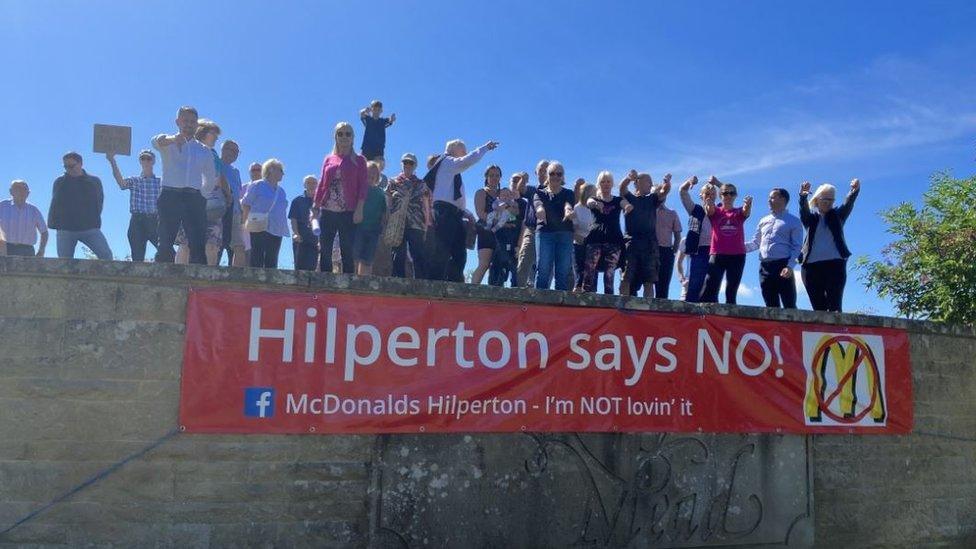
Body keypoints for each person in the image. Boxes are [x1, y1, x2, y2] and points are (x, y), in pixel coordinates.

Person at [424, 138, 499, 282]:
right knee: (443, 251)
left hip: (454, 214)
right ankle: (434, 285)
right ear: (454, 149)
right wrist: (485, 148)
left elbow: (451, 196)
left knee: (459, 253)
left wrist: (465, 212)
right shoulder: (447, 161)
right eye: (463, 150)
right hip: (445, 213)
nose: (465, 153)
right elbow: (467, 160)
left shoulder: (450, 168)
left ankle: (454, 284)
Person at [152, 106, 218, 264]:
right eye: (185, 120)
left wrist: (203, 195)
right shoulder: (167, 143)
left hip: (194, 197)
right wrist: (173, 139)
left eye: (192, 121)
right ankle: (163, 280)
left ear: (196, 125)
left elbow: (210, 176)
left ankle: (198, 283)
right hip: (170, 195)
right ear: (177, 122)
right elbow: (155, 141)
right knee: (165, 242)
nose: (188, 124)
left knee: (197, 243)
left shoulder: (204, 150)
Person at [314, 121, 368, 274]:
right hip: (327, 208)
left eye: (348, 133)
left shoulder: (360, 160)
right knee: (325, 247)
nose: (344, 137)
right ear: (335, 137)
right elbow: (321, 184)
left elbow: (363, 186)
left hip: (348, 210)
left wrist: (360, 209)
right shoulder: (328, 159)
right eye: (340, 133)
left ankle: (348, 282)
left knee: (347, 248)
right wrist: (315, 206)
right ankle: (325, 279)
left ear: (353, 138)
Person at [799, 178, 860, 312]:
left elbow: (848, 204)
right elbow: (803, 211)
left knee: (835, 307)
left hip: (835, 265)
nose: (828, 203)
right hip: (811, 267)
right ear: (816, 200)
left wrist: (854, 191)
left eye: (831, 200)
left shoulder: (838, 216)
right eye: (825, 199)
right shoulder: (811, 219)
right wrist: (803, 196)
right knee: (818, 307)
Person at [745, 187, 804, 308]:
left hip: (783, 265)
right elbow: (756, 243)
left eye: (772, 197)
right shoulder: (763, 220)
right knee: (770, 305)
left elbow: (797, 246)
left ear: (782, 199)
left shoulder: (793, 221)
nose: (768, 200)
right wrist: (736, 247)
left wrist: (790, 266)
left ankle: (791, 327)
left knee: (789, 305)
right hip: (764, 267)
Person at [48, 152, 113, 260]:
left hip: (89, 228)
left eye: (71, 166)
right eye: (66, 167)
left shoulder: (94, 181)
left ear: (80, 164)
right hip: (65, 229)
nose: (69, 169)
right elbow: (55, 204)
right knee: (64, 263)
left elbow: (99, 202)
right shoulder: (59, 182)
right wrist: (55, 224)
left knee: (106, 256)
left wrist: (93, 219)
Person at [700, 179, 753, 304]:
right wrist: (708, 203)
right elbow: (710, 210)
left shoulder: (739, 212)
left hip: (737, 255)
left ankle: (729, 321)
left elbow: (746, 211)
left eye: (732, 193)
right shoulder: (716, 211)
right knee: (711, 286)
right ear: (720, 196)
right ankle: (705, 317)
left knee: (731, 290)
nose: (728, 196)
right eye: (725, 193)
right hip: (718, 254)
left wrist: (748, 205)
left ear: (735, 196)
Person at [619, 171, 671, 297]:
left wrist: (666, 183)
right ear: (638, 183)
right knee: (626, 278)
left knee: (649, 280)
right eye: (649, 181)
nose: (651, 184)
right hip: (631, 243)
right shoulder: (629, 198)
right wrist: (628, 178)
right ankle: (622, 308)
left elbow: (664, 191)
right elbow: (622, 188)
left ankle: (648, 309)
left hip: (649, 244)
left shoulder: (652, 199)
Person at [106, 149, 160, 262]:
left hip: (155, 221)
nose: (146, 161)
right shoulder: (134, 180)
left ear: (153, 161)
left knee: (167, 253)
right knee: (137, 257)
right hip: (137, 220)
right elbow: (121, 183)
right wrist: (112, 161)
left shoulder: (160, 182)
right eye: (143, 158)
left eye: (148, 158)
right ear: (140, 161)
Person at [533, 161, 576, 290]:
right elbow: (538, 204)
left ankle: (559, 307)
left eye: (559, 174)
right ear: (547, 175)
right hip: (545, 233)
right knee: (543, 270)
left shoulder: (569, 193)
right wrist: (540, 210)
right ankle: (539, 303)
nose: (556, 176)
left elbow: (568, 205)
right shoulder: (539, 193)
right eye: (552, 173)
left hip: (565, 234)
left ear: (563, 176)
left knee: (562, 272)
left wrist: (569, 211)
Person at [387, 153, 430, 279]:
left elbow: (426, 204)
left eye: (411, 163)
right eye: (405, 162)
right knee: (397, 253)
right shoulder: (393, 182)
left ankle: (421, 282)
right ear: (402, 164)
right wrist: (388, 218)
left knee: (418, 253)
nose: (408, 165)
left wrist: (427, 224)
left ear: (415, 165)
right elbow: (388, 201)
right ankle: (397, 281)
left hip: (416, 222)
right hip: (397, 222)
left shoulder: (421, 184)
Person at [241, 159, 289, 268]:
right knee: (257, 256)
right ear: (271, 170)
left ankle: (269, 284)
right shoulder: (257, 185)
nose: (283, 174)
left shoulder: (281, 191)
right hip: (259, 226)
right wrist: (245, 224)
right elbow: (245, 204)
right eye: (281, 170)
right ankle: (255, 282)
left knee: (272, 259)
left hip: (277, 229)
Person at [583, 171, 624, 294]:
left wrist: (628, 207)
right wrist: (596, 204)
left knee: (609, 273)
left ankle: (609, 301)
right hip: (595, 238)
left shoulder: (618, 200)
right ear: (598, 184)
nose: (605, 184)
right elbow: (589, 203)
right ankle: (587, 297)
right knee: (590, 269)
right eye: (602, 181)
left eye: (608, 181)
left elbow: (626, 204)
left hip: (614, 240)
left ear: (612, 184)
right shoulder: (594, 198)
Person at [678, 176, 716, 303]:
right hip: (699, 250)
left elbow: (727, 194)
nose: (709, 196)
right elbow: (682, 192)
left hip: (715, 252)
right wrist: (689, 182)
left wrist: (717, 183)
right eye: (707, 194)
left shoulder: (720, 212)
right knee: (695, 283)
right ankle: (691, 314)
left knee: (712, 285)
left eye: (712, 194)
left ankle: (709, 316)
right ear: (701, 196)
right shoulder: (696, 210)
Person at [353, 161, 388, 275]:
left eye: (374, 173)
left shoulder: (380, 193)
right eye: (368, 172)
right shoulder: (358, 189)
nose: (371, 175)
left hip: (373, 230)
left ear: (378, 176)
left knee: (368, 258)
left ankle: (365, 282)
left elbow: (384, 212)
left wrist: (383, 227)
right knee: (355, 255)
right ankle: (354, 280)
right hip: (358, 228)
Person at [471, 165, 503, 284]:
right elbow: (480, 213)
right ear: (486, 177)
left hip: (502, 233)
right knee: (484, 264)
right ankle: (471, 290)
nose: (494, 178)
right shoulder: (481, 192)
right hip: (486, 230)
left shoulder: (503, 193)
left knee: (499, 265)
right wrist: (498, 222)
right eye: (491, 175)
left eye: (497, 175)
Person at [516, 161, 546, 288]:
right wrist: (523, 179)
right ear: (536, 173)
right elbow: (521, 189)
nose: (544, 173)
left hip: (547, 232)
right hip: (532, 230)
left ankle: (540, 295)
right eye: (541, 171)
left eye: (546, 170)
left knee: (544, 266)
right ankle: (520, 291)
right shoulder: (533, 190)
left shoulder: (555, 192)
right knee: (524, 259)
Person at [0, 180, 48, 257]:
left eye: (24, 189)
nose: (21, 191)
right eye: (18, 188)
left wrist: (41, 251)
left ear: (28, 193)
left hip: (27, 251)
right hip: (4, 249)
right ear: (11, 191)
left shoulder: (34, 210)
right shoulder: (2, 206)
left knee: (27, 270)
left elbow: (44, 232)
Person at [218, 140, 246, 267]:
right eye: (231, 150)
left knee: (238, 245)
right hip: (218, 210)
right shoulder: (215, 163)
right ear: (223, 149)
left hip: (235, 212)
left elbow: (238, 193)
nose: (234, 154)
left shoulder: (236, 172)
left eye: (237, 152)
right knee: (217, 244)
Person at [487, 186, 522, 287]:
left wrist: (510, 206)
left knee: (513, 260)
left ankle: (514, 283)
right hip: (500, 234)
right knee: (499, 256)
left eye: (508, 195)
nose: (506, 197)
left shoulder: (513, 204)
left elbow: (516, 212)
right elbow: (495, 214)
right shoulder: (497, 204)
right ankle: (497, 279)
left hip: (512, 235)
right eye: (503, 195)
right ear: (499, 196)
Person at [654, 185, 682, 299]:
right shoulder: (648, 211)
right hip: (649, 250)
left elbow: (677, 235)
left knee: (663, 286)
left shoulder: (672, 213)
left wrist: (672, 252)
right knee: (647, 283)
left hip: (666, 251)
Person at [289, 175, 319, 271]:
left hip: (315, 238)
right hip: (300, 237)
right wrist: (296, 234)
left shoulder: (320, 202)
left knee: (313, 267)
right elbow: (293, 219)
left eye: (314, 183)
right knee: (299, 268)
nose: (312, 185)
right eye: (309, 183)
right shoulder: (297, 201)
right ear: (304, 185)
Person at [571, 180, 596, 291]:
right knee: (580, 271)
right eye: (591, 192)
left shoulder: (596, 208)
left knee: (592, 272)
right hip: (579, 243)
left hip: (593, 244)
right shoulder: (577, 208)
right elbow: (574, 227)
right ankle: (577, 291)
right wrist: (581, 239)